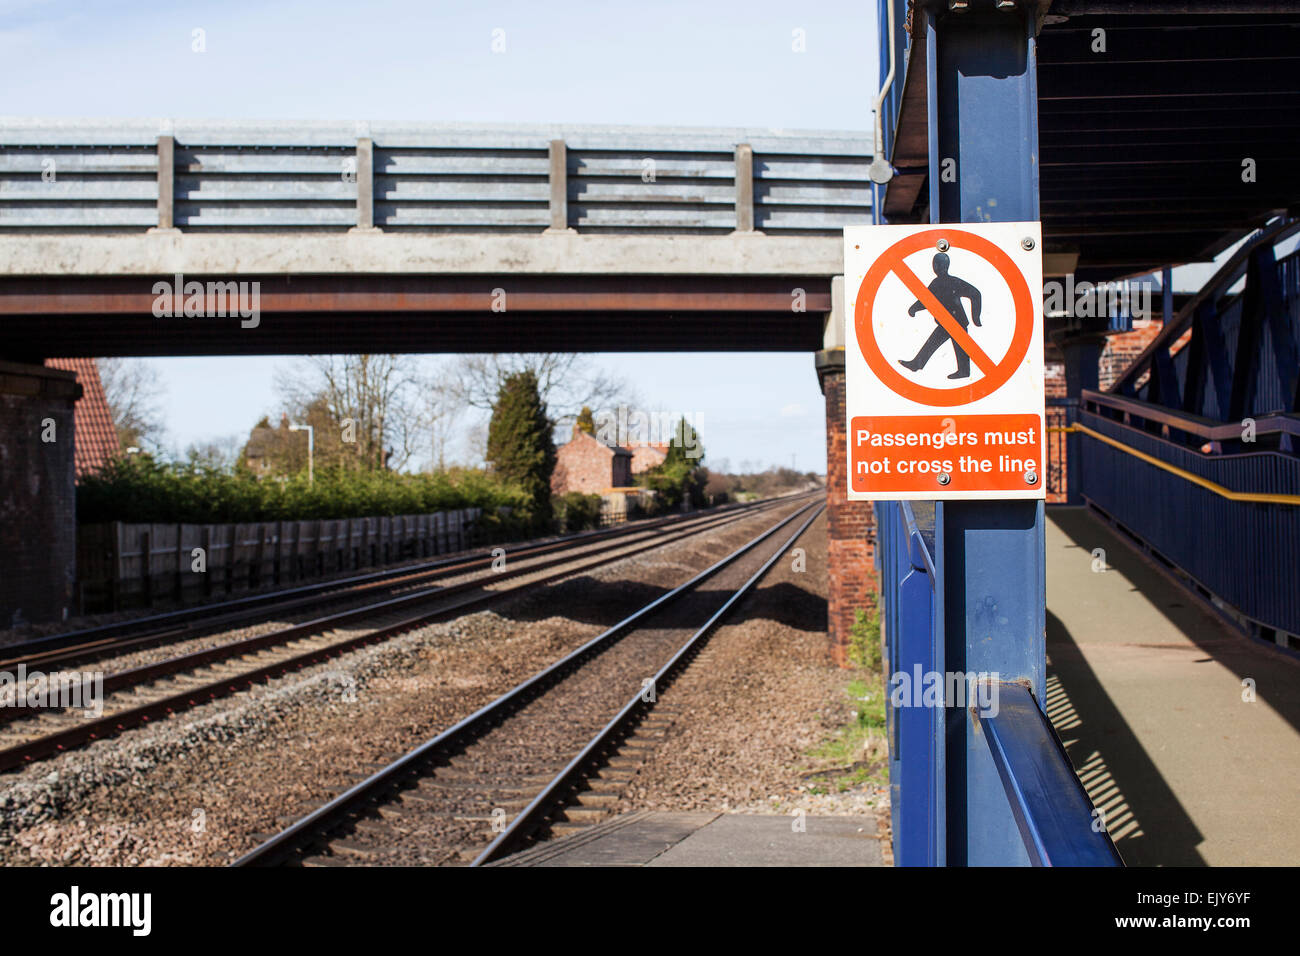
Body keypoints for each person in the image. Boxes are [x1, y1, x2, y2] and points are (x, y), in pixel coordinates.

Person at [898, 252, 983, 379]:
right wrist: (914, 308)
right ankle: (917, 364)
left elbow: (975, 294)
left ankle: (962, 371)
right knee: (941, 344)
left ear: (938, 266)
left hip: (955, 322)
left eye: (936, 264)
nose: (935, 267)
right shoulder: (946, 282)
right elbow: (926, 300)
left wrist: (976, 318)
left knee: (949, 345)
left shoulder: (943, 282)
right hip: (949, 321)